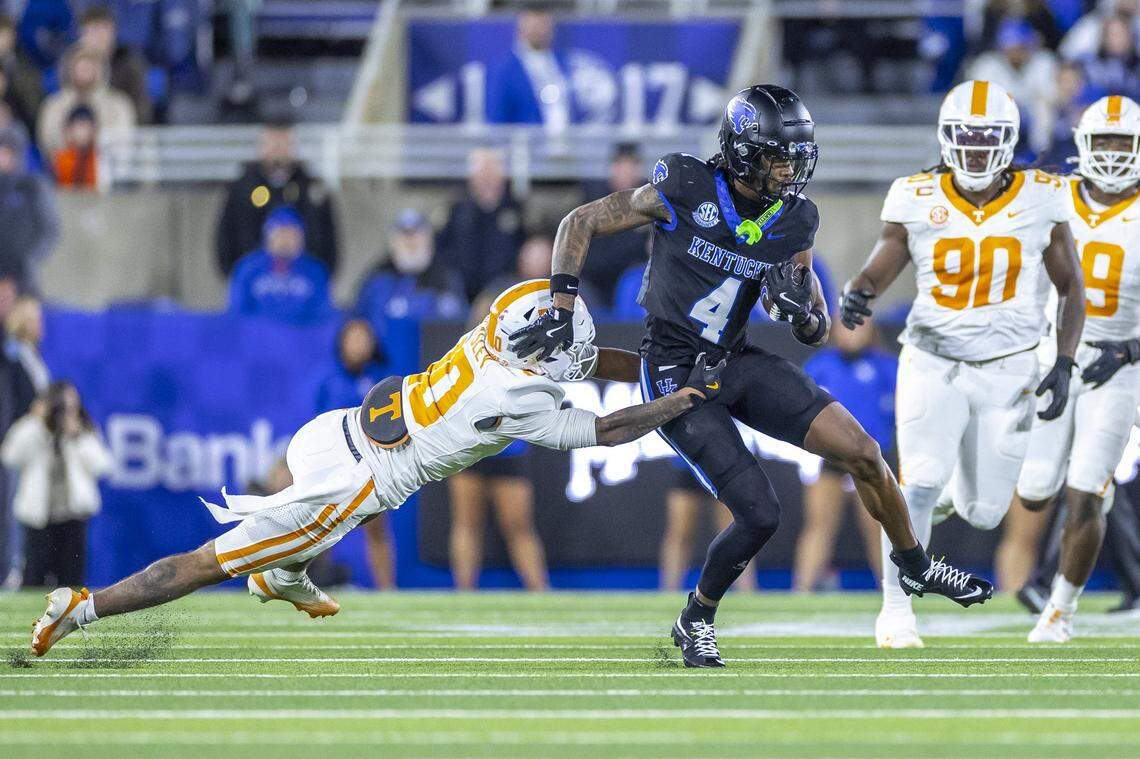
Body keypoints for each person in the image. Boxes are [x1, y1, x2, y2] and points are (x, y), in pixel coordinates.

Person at [512, 84, 993, 668]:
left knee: (864, 452)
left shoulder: (794, 218)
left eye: (796, 156)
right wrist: (560, 305)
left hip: (733, 359)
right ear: (742, 152)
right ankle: (697, 617)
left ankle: (915, 565)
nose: (790, 169)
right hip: (673, 369)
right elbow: (579, 221)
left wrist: (805, 314)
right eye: (777, 156)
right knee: (761, 514)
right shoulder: (683, 185)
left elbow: (817, 327)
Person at [29, 279, 727, 657]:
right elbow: (605, 427)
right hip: (354, 482)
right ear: (540, 356)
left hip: (335, 430)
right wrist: (681, 396)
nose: (579, 357)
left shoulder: (507, 318)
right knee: (207, 562)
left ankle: (285, 573)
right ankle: (82, 607)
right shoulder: (513, 400)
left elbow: (579, 353)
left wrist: (652, 370)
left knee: (291, 543)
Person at [839, 79, 1084, 648]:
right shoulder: (917, 195)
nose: (975, 150)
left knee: (983, 512)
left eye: (987, 139)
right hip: (933, 359)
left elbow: (1072, 287)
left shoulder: (1042, 195)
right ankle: (895, 611)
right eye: (965, 138)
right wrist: (862, 289)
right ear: (947, 139)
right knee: (916, 481)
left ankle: (942, 489)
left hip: (1010, 369)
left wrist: (1065, 359)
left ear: (1009, 140)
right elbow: (887, 257)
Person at [1010, 96, 1140, 642]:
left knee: (1085, 490)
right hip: (1052, 356)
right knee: (1037, 492)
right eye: (1103, 141)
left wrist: (1131, 350)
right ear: (1082, 144)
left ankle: (1060, 611)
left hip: (1121, 362)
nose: (1111, 154)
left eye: (1121, 142)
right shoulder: (1051, 194)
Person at [794, 317, 894, 592]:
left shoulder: (886, 367)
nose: (851, 333)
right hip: (832, 456)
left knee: (879, 529)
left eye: (858, 326)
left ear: (872, 330)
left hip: (872, 459)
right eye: (845, 325)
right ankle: (800, 593)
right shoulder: (821, 365)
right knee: (819, 526)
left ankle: (892, 594)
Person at [2, 381, 112, 588]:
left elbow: (102, 465)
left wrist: (76, 436)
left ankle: (68, 615)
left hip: (73, 513)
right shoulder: (34, 428)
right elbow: (10, 455)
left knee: (71, 576)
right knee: (34, 575)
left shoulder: (84, 429)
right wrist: (34, 421)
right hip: (39, 515)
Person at [313, 318, 396, 590]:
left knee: (376, 527)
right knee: (321, 529)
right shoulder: (328, 379)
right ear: (342, 342)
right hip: (332, 464)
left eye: (364, 338)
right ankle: (314, 581)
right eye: (354, 338)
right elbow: (313, 425)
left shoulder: (382, 379)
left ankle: (387, 590)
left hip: (372, 465)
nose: (359, 344)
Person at [215, 121, 340, 276]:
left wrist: (320, 278)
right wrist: (236, 278)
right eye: (273, 145)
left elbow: (328, 239)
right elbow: (226, 237)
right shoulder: (242, 189)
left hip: (305, 283)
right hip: (253, 282)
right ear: (261, 147)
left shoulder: (312, 189)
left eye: (284, 145)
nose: (279, 152)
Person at [437, 148, 525, 302]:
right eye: (482, 171)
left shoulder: (518, 210)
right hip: (462, 291)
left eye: (491, 170)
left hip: (505, 291)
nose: (487, 178)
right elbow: (441, 248)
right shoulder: (456, 210)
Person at [354, 208, 466, 325]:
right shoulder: (376, 281)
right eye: (404, 234)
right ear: (392, 242)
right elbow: (357, 326)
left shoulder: (448, 279)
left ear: (429, 240)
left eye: (417, 233)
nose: (411, 241)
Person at [966, 19, 1059, 153]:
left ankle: (1041, 154)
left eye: (1020, 46)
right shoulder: (987, 64)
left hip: (1031, 115)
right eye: (1010, 47)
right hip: (998, 115)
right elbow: (978, 101)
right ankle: (989, 151)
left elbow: (1052, 96)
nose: (1015, 52)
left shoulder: (1043, 61)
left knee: (1043, 107)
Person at [228, 206, 333, 324]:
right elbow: (237, 315)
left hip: (301, 339)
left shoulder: (315, 271)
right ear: (267, 236)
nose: (285, 240)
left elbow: (322, 316)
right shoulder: (248, 268)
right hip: (257, 338)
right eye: (280, 233)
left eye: (291, 234)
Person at [659, 465, 755, 592]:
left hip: (724, 464)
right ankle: (669, 591)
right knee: (680, 533)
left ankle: (746, 592)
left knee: (736, 533)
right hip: (689, 464)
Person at [578, 143, 650, 307]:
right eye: (621, 165)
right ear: (612, 168)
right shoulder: (594, 199)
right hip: (596, 280)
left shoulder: (651, 200)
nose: (626, 171)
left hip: (635, 278)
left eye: (632, 165)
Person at [37, 46, 135, 158]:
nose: (84, 70)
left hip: (108, 168)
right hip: (62, 168)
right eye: (80, 66)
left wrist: (93, 139)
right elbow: (47, 141)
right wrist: (70, 141)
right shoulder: (54, 104)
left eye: (89, 65)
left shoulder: (118, 104)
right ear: (70, 68)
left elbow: (124, 141)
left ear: (100, 69)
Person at [485, 7, 573, 131]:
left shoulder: (563, 61)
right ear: (521, 24)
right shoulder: (504, 68)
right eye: (532, 22)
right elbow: (496, 118)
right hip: (525, 144)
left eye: (543, 22)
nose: (538, 28)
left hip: (567, 142)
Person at [0, 127, 59, 291]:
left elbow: (49, 229)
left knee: (24, 313)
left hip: (23, 277)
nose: (2, 159)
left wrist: (29, 259)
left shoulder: (33, 187)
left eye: (6, 153)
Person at [75, 6, 151, 124]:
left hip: (119, 127)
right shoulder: (71, 62)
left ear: (113, 31)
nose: (98, 37)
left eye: (102, 30)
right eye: (93, 30)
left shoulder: (129, 62)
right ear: (82, 34)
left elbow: (141, 106)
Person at [0, 12, 43, 138]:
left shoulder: (25, 67)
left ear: (13, 36)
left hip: (18, 125)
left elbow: (33, 107)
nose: (2, 40)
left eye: (4, 34)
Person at [52, 105, 98, 189]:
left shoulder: (99, 159)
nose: (82, 132)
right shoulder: (60, 159)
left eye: (87, 126)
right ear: (69, 130)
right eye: (80, 126)